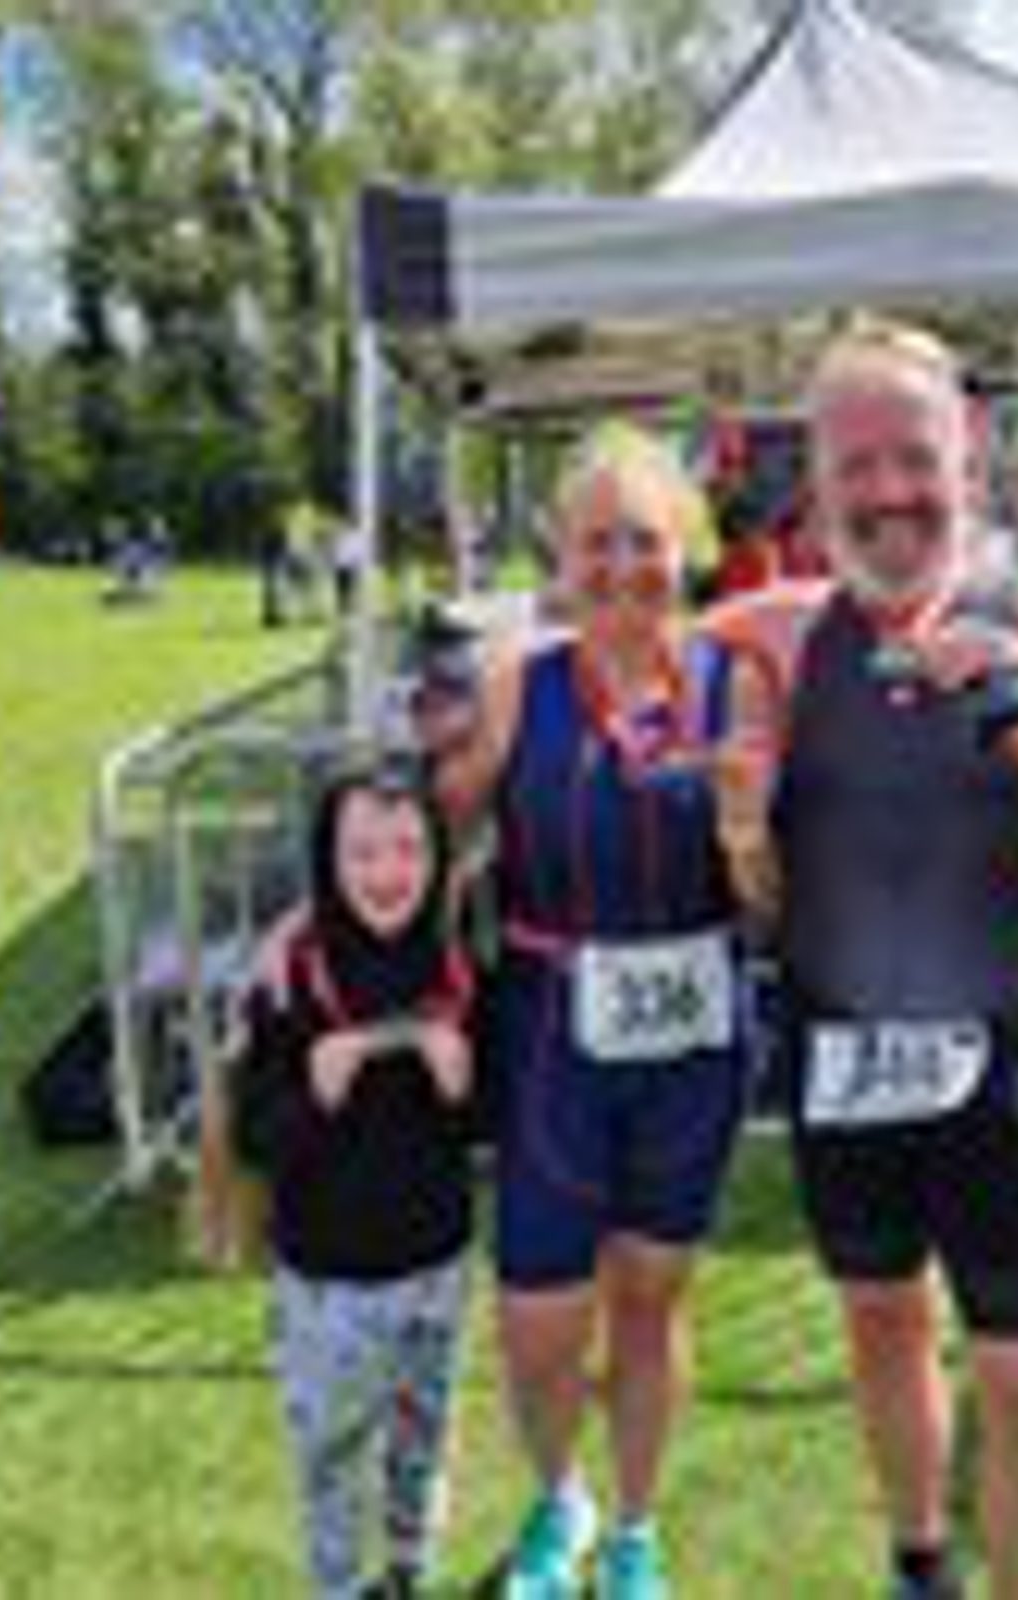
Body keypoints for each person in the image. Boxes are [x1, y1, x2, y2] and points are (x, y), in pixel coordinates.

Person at [705, 323, 1018, 1600]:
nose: (888, 493)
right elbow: (593, 644)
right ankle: (920, 1563)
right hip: (841, 1057)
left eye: (914, 458)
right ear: (813, 485)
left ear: (970, 460)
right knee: (883, 1325)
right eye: (855, 465)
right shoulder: (773, 634)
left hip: (1001, 1067)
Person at [420, 422, 751, 1600]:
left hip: (697, 1036)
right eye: (597, 541)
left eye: (647, 540)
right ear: (562, 557)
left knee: (652, 1298)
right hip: (551, 1030)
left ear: (689, 548)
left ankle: (635, 1530)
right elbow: (439, 832)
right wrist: (441, 757)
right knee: (538, 1317)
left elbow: (769, 895)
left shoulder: (732, 680)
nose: (623, 566)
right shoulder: (520, 681)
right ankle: (560, 1496)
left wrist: (749, 828)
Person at [226, 762, 477, 1600]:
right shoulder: (288, 978)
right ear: (328, 864)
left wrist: (461, 1085)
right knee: (331, 1451)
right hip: (325, 1276)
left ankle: (409, 1571)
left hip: (436, 1264)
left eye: (408, 849)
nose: (387, 873)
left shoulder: (458, 971)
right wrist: (313, 1094)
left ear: (437, 858)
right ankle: (338, 1585)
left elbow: (492, 1123)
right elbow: (256, 1136)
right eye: (363, 852)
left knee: (422, 1439)